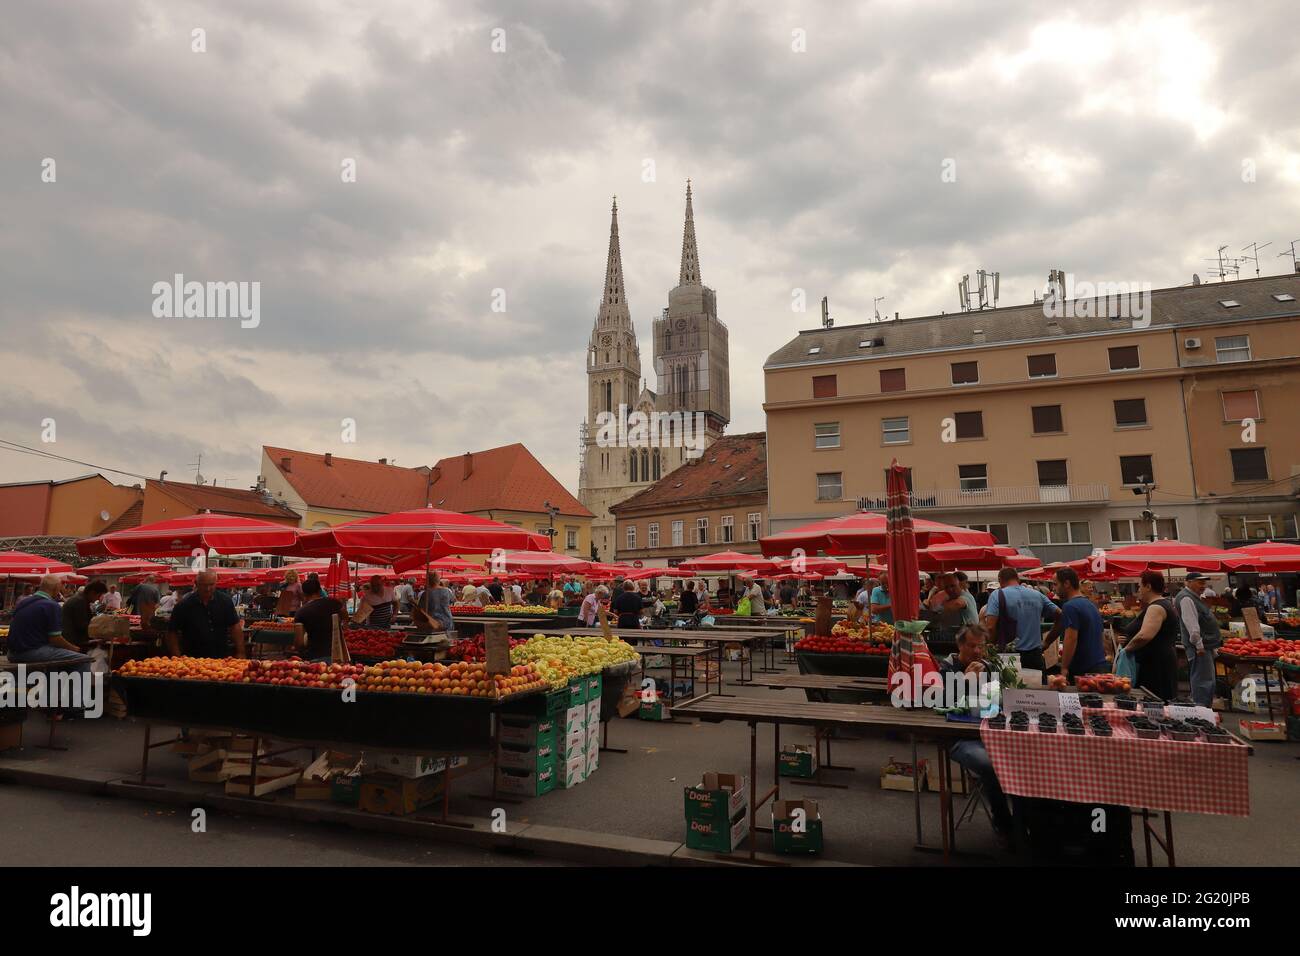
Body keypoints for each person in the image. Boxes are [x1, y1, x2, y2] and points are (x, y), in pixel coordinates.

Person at [938, 625, 1012, 837]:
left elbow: (998, 699)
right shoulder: (947, 667)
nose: (978, 651)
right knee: (989, 765)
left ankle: (1026, 821)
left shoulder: (988, 666)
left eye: (981, 646)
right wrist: (963, 682)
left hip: (990, 732)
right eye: (972, 646)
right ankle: (1004, 824)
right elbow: (941, 703)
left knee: (1024, 758)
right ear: (960, 645)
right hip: (960, 737)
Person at [5, 575, 92, 672]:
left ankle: (52, 684)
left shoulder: (23, 602)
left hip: (12, 653)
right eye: (60, 587)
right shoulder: (51, 606)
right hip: (29, 652)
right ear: (55, 588)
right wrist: (74, 648)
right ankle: (76, 687)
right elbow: (55, 639)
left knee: (55, 655)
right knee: (84, 660)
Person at [981, 567, 1061, 670]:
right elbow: (1062, 616)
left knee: (1008, 686)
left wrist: (989, 650)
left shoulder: (997, 595)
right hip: (1034, 655)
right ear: (1018, 579)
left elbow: (991, 627)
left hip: (1007, 656)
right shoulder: (1037, 595)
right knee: (1035, 685)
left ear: (1000, 580)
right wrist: (1047, 642)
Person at [1118, 570, 1180, 701]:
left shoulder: (1156, 607)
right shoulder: (1162, 605)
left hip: (1156, 665)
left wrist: (1126, 650)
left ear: (1148, 586)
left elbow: (1144, 636)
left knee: (1155, 703)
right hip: (1159, 661)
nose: (1139, 589)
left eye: (1140, 586)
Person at [166, 569, 245, 658]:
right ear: (196, 583)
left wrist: (241, 652)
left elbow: (235, 627)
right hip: (192, 658)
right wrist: (176, 656)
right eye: (204, 585)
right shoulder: (184, 605)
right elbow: (172, 632)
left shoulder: (225, 602)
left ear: (216, 583)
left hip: (220, 657)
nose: (208, 589)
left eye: (211, 584)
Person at [1047, 567, 1108, 682]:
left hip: (1083, 670)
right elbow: (1101, 635)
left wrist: (1064, 668)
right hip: (1099, 664)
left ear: (1066, 583)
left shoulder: (1070, 607)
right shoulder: (1091, 604)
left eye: (1055, 584)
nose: (1053, 588)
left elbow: (1071, 638)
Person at [1173, 572, 1222, 707]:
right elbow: (1192, 625)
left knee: (1205, 679)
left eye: (1204, 583)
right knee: (1203, 681)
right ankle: (1201, 711)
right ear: (1188, 582)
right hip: (1199, 647)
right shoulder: (1186, 598)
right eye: (1199, 583)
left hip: (1204, 646)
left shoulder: (1193, 597)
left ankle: (1203, 708)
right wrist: (1199, 645)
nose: (1203, 586)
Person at [292, 577, 345, 660]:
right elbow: (345, 616)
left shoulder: (301, 612)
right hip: (338, 654)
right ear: (320, 590)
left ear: (304, 594)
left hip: (314, 656)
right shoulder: (335, 603)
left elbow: (299, 643)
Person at [61, 580, 108, 651]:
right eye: (99, 595)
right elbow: (82, 626)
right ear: (92, 593)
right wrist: (99, 635)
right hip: (72, 643)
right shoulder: (79, 602)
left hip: (74, 640)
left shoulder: (82, 599)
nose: (98, 599)